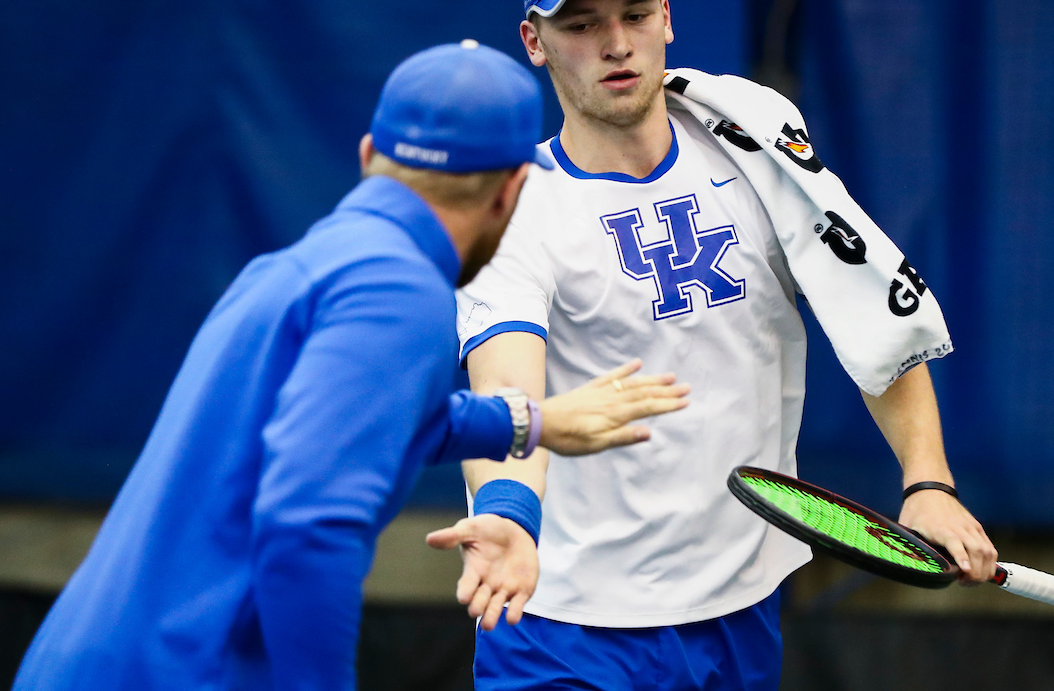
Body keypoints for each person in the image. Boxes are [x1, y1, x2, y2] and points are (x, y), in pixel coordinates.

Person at [12, 40, 689, 691]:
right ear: (512, 190)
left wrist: (530, 423)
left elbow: (373, 421)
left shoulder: (297, 268)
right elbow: (307, 522)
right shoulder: (401, 293)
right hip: (193, 671)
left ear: (369, 155)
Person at [452, 0, 1000, 690]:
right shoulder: (516, 208)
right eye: (582, 24)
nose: (616, 44)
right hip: (561, 623)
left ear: (667, 19)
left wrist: (928, 483)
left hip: (739, 610)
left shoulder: (753, 135)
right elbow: (507, 387)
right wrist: (509, 513)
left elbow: (865, 309)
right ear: (535, 41)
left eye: (635, 16)